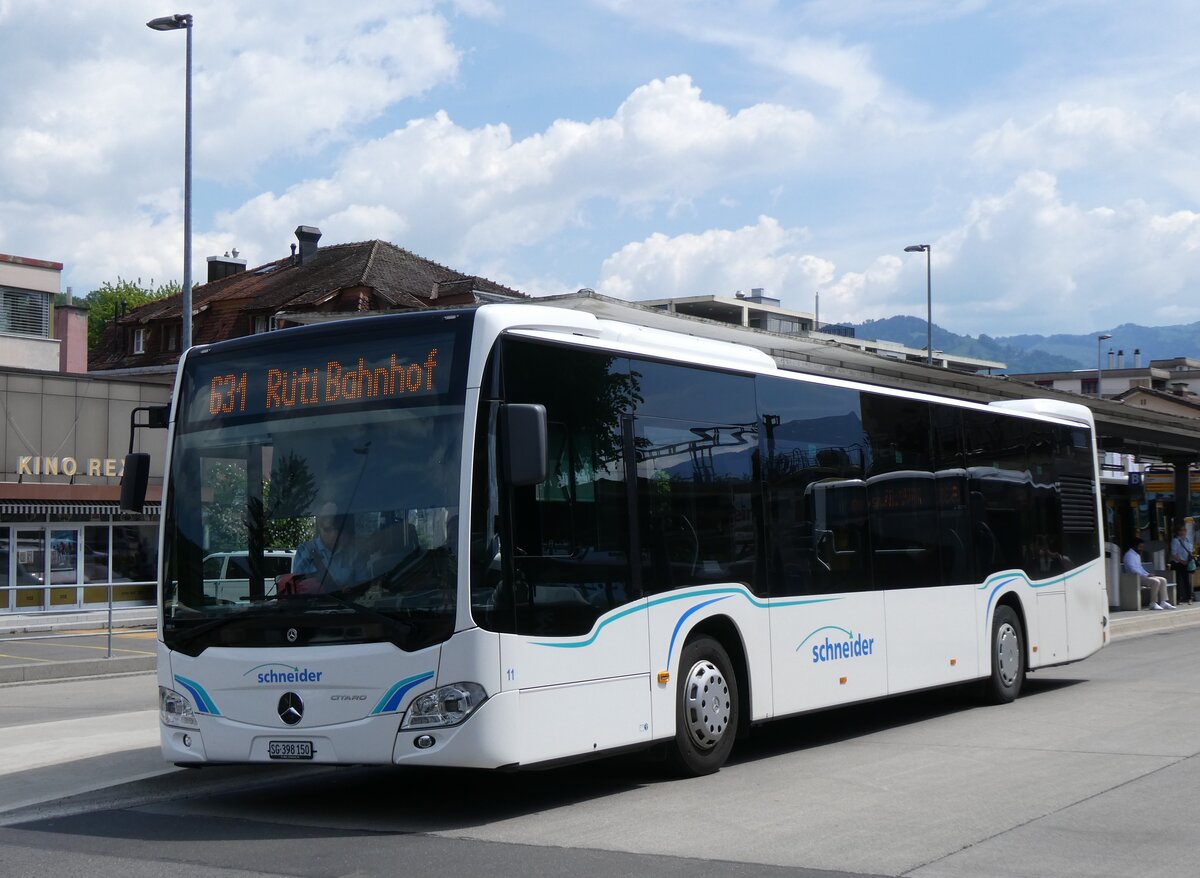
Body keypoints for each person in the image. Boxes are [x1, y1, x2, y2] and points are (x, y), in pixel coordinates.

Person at [292, 502, 367, 591]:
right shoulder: (305, 551)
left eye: (338, 530)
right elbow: (297, 588)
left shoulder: (354, 553)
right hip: (313, 604)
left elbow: (364, 586)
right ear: (320, 527)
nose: (334, 535)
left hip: (349, 604)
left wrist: (352, 590)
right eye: (328, 530)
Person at [1123, 539, 1173, 610]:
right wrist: (1145, 575)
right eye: (1140, 547)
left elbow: (1140, 568)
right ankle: (1153, 603)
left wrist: (1147, 574)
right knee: (1155, 582)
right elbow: (1132, 569)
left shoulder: (1137, 555)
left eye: (1142, 547)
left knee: (1163, 580)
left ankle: (1163, 602)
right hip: (1134, 578)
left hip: (1142, 576)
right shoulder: (1129, 555)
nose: (1141, 549)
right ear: (1134, 547)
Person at [1169, 524, 1194, 604]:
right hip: (1177, 563)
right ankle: (1177, 598)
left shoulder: (1187, 540)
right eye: (1181, 530)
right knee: (1177, 581)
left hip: (1185, 562)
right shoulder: (1175, 540)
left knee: (1186, 580)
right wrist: (1181, 560)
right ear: (1177, 532)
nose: (1183, 532)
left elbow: (1190, 550)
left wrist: (1188, 559)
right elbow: (1173, 553)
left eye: (1184, 530)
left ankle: (1189, 597)